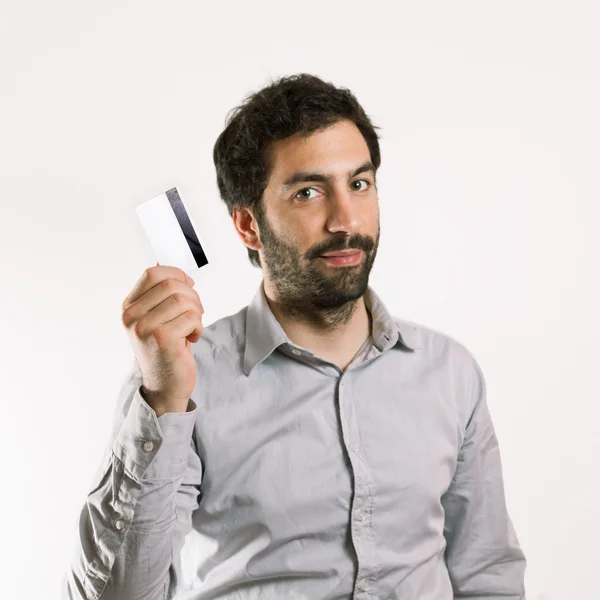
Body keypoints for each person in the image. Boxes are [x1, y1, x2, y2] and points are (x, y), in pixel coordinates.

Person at [64, 73, 526, 600]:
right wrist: (165, 401)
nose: (346, 219)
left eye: (359, 183)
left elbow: (487, 574)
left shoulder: (449, 371)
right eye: (308, 192)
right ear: (248, 226)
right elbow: (117, 594)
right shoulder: (185, 379)